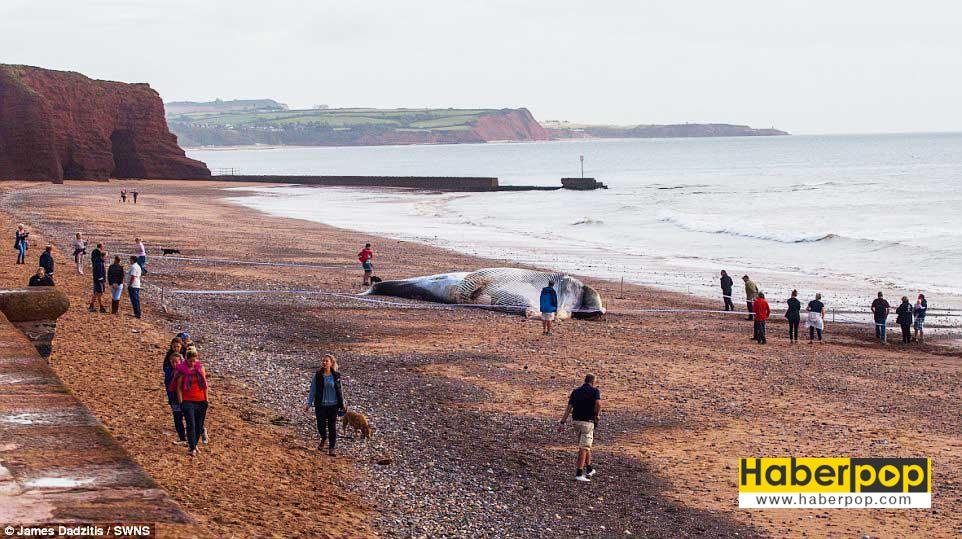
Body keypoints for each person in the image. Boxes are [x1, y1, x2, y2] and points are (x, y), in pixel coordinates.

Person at [558, 373, 602, 482]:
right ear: (593, 381)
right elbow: (598, 404)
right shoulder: (595, 391)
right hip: (588, 422)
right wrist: (597, 414)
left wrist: (562, 422)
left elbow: (569, 407)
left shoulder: (576, 391)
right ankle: (579, 473)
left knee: (585, 445)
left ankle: (589, 469)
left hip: (576, 422)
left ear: (585, 380)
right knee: (584, 447)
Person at [303, 354, 345, 457]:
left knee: (332, 427)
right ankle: (323, 437)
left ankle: (332, 448)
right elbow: (313, 390)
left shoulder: (336, 376)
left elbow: (340, 390)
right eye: (323, 361)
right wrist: (309, 403)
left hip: (333, 405)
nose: (324, 363)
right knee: (320, 425)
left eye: (327, 361)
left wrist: (343, 403)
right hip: (321, 405)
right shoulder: (318, 375)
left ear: (331, 363)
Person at [172, 347, 209, 456]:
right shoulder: (182, 371)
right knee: (190, 424)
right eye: (190, 361)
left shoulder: (201, 369)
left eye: (194, 360)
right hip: (188, 400)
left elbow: (205, 385)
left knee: (199, 424)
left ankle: (194, 444)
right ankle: (192, 447)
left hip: (200, 400)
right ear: (186, 360)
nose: (192, 363)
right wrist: (181, 402)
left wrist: (206, 400)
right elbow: (178, 387)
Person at [163, 338, 187, 444]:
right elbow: (168, 386)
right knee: (177, 418)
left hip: (185, 398)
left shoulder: (186, 371)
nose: (174, 364)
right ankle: (182, 438)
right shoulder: (169, 371)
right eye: (172, 362)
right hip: (174, 398)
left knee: (189, 418)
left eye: (176, 362)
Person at [88, 244, 107, 313]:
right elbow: (99, 273)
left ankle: (92, 305)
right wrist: (101, 279)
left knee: (96, 293)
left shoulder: (98, 262)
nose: (106, 258)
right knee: (99, 293)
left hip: (97, 280)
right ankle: (101, 306)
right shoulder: (99, 263)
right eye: (105, 257)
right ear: (102, 256)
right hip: (99, 281)